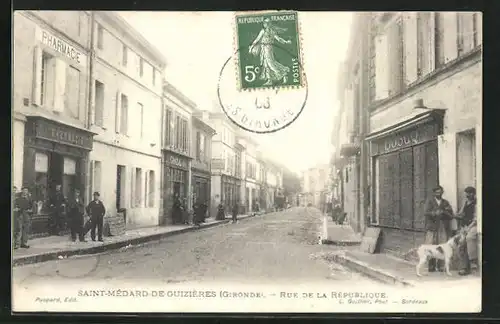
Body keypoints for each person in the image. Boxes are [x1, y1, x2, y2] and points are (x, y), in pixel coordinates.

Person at [423, 185, 454, 272]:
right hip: (432, 226)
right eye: (437, 192)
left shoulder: (445, 202)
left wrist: (444, 212)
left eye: (440, 192)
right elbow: (426, 212)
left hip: (442, 227)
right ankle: (431, 266)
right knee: (431, 245)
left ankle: (441, 266)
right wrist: (434, 213)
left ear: (442, 192)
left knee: (442, 246)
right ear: (434, 193)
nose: (439, 193)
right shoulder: (429, 201)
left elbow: (451, 214)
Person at [456, 186, 478, 276]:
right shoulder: (466, 203)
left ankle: (473, 263)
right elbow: (460, 214)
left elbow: (475, 219)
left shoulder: (477, 204)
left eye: (469, 193)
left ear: (473, 194)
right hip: (464, 226)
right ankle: (464, 267)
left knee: (469, 239)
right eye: (467, 194)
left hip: (473, 226)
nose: (468, 195)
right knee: (461, 244)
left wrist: (468, 228)